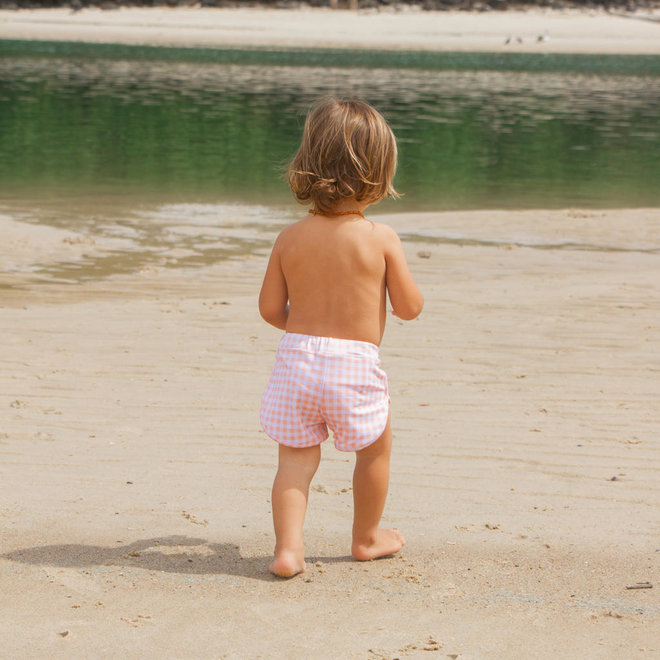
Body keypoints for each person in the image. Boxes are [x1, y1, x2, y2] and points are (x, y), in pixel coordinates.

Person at [259, 97, 424, 578]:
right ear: (379, 172)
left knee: (294, 460)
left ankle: (289, 551)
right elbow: (409, 308)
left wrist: (308, 327)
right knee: (375, 448)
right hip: (354, 364)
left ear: (306, 165)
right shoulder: (381, 237)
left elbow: (271, 310)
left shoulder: (289, 237)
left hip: (297, 360)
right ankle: (367, 538)